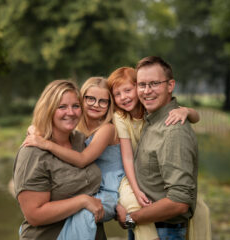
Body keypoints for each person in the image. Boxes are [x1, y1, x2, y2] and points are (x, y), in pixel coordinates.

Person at [23, 77, 125, 240]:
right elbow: (47, 123)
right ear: (82, 99)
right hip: (91, 188)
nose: (95, 104)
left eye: (102, 101)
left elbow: (82, 159)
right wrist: (34, 129)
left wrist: (47, 144)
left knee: (86, 213)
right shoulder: (75, 130)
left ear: (109, 105)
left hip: (108, 189)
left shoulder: (107, 129)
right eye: (90, 99)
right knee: (78, 212)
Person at [108, 67, 201, 240]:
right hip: (131, 180)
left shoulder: (155, 114)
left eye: (128, 90)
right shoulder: (122, 118)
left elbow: (196, 116)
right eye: (117, 94)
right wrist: (136, 191)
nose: (124, 97)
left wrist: (186, 111)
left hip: (163, 223)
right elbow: (127, 157)